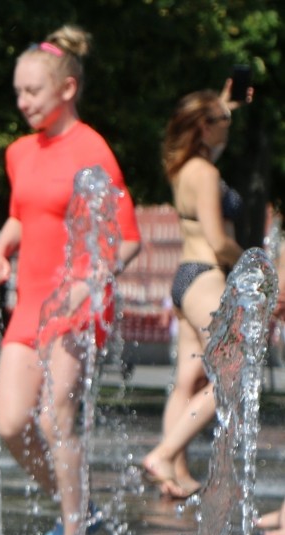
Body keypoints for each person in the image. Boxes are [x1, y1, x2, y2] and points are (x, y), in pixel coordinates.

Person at [0, 27, 140, 535]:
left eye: (33, 93)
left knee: (55, 419)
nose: (22, 103)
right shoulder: (19, 152)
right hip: (30, 303)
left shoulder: (92, 151)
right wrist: (1, 250)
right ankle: (81, 507)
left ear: (67, 88)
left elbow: (128, 237)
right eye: (18, 92)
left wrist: (92, 281)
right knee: (9, 423)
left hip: (76, 305)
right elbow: (23, 214)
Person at [140, 80, 252, 499]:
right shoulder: (206, 173)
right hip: (207, 275)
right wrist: (259, 268)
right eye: (221, 121)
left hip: (184, 277)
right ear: (204, 128)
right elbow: (218, 239)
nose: (228, 126)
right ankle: (165, 455)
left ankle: (175, 479)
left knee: (188, 380)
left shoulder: (182, 167)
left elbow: (211, 139)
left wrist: (225, 104)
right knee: (233, 371)